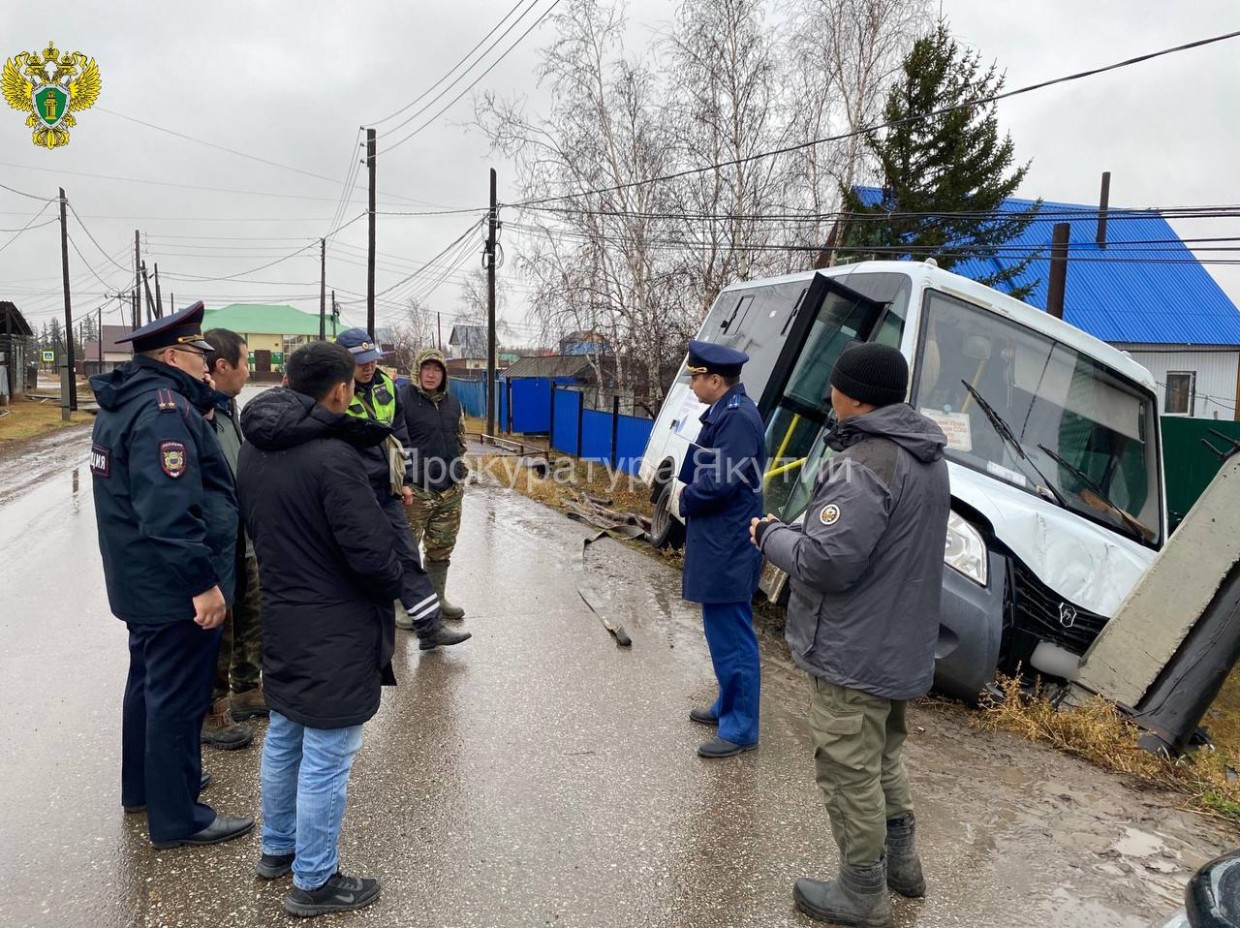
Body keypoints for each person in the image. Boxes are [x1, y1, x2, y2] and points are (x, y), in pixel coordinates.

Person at [750, 342, 950, 927]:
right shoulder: (927, 455)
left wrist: (771, 535)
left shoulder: (865, 464)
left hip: (854, 647)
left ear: (854, 396)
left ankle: (862, 891)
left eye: (834, 385)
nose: (827, 394)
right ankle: (903, 867)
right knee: (883, 754)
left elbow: (826, 562)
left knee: (847, 766)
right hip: (897, 643)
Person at [237, 341, 401, 916]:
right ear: (339, 391)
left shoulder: (254, 448)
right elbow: (376, 557)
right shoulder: (333, 457)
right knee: (328, 751)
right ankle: (314, 880)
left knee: (285, 735)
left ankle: (277, 849)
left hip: (284, 612)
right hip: (335, 624)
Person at [89, 300, 253, 849]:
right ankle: (179, 816)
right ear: (171, 355)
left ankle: (148, 787)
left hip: (143, 583)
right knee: (177, 699)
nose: (206, 365)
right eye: (197, 354)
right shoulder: (163, 412)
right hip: (172, 588)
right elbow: (169, 512)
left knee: (148, 687)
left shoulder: (127, 401)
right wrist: (202, 584)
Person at [336, 327, 469, 651]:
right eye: (426, 369)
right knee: (379, 554)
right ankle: (383, 618)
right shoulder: (345, 390)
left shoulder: (393, 389)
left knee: (421, 553)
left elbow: (402, 438)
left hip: (417, 487)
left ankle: (431, 616)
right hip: (368, 489)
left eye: (437, 369)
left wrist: (407, 478)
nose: (369, 366)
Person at [677, 339, 766, 759]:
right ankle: (727, 704)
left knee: (732, 634)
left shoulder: (738, 419)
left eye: (696, 377)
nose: (692, 384)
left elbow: (721, 480)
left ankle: (741, 727)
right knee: (720, 631)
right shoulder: (721, 413)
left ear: (715, 379)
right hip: (717, 539)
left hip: (729, 542)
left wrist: (686, 499)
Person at [199, 327, 262, 750]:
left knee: (252, 612)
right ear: (223, 366)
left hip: (244, 533)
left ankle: (246, 688)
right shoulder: (198, 411)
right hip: (217, 539)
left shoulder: (229, 407)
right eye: (245, 361)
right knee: (219, 629)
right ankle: (213, 711)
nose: (250, 370)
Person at [397, 346, 468, 620]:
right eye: (426, 368)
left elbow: (460, 440)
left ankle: (438, 599)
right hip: (415, 490)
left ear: (443, 374)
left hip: (449, 489)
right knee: (405, 549)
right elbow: (394, 443)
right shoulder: (403, 400)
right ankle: (403, 606)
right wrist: (402, 480)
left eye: (437, 369)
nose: (431, 374)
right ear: (417, 370)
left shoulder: (452, 403)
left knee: (441, 546)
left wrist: (460, 472)